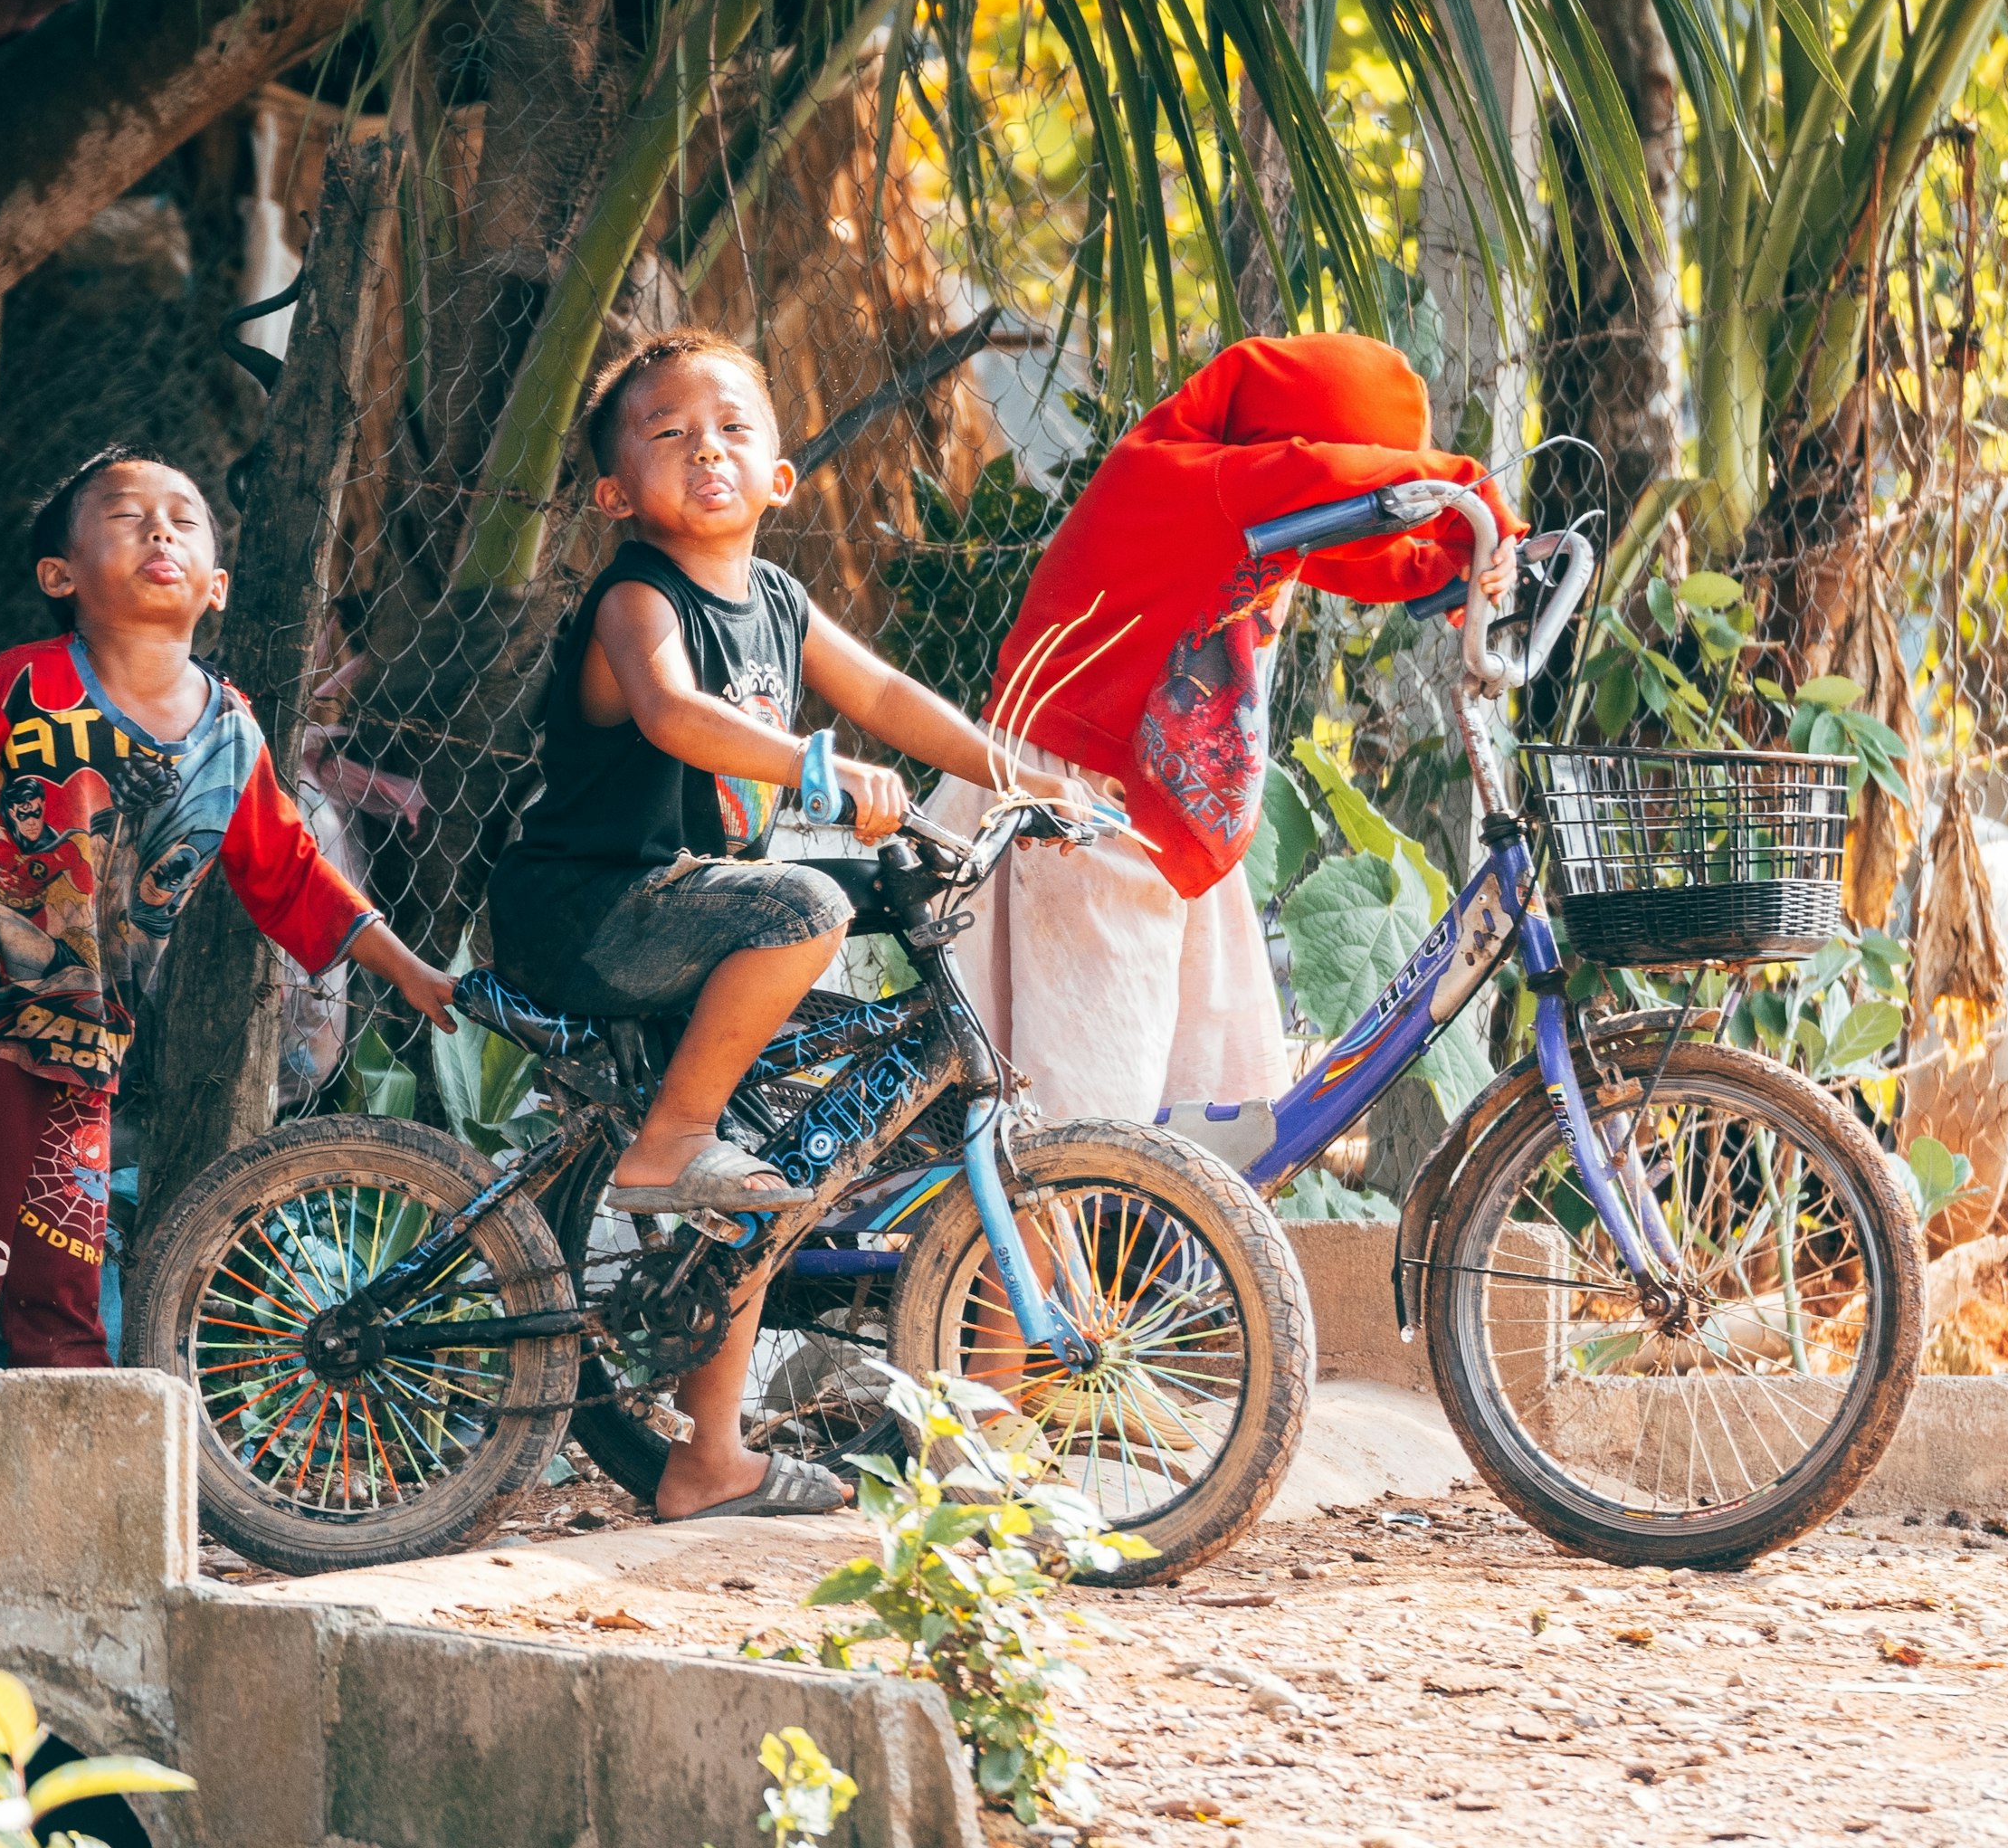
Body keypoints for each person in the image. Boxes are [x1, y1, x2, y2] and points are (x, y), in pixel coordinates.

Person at [486, 329, 1081, 1522]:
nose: (704, 449)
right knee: (806, 897)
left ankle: (708, 1460)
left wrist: (1033, 776)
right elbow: (672, 713)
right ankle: (667, 1145)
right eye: (668, 435)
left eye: (731, 431)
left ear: (778, 477)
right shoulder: (634, 598)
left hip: (691, 928)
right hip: (592, 915)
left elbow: (893, 699)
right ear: (616, 494)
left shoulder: (779, 601)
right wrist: (818, 766)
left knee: (772, 1174)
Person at [0, 445, 460, 1368]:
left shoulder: (231, 729)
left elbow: (295, 871)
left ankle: (67, 1475)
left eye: (183, 516)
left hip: (87, 1045)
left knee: (62, 1268)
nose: (159, 529)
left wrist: (413, 972)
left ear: (216, 584)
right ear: (60, 574)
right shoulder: (22, 685)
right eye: (125, 513)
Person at [923, 332, 1514, 1125]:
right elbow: (1334, 483)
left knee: (1216, 1084)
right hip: (1078, 792)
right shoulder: (1192, 475)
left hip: (1157, 799)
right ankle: (1046, 1245)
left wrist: (1449, 566)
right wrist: (1472, 502)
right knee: (1087, 1093)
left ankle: (1166, 1239)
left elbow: (1347, 550)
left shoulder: (1251, 504)